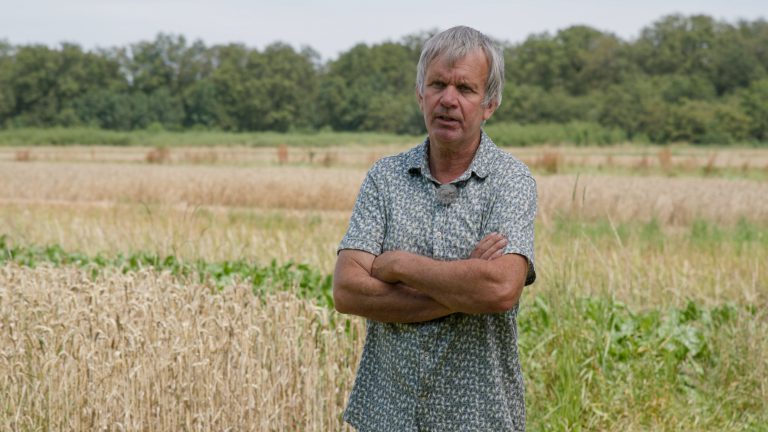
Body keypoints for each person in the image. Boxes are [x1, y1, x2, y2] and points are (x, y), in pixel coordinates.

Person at [333, 25, 537, 432]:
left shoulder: (511, 180)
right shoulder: (384, 177)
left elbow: (499, 289)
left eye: (465, 88)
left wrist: (400, 266)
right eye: (438, 83)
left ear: (490, 103)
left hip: (479, 418)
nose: (448, 99)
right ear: (419, 93)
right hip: (387, 416)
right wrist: (463, 288)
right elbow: (347, 290)